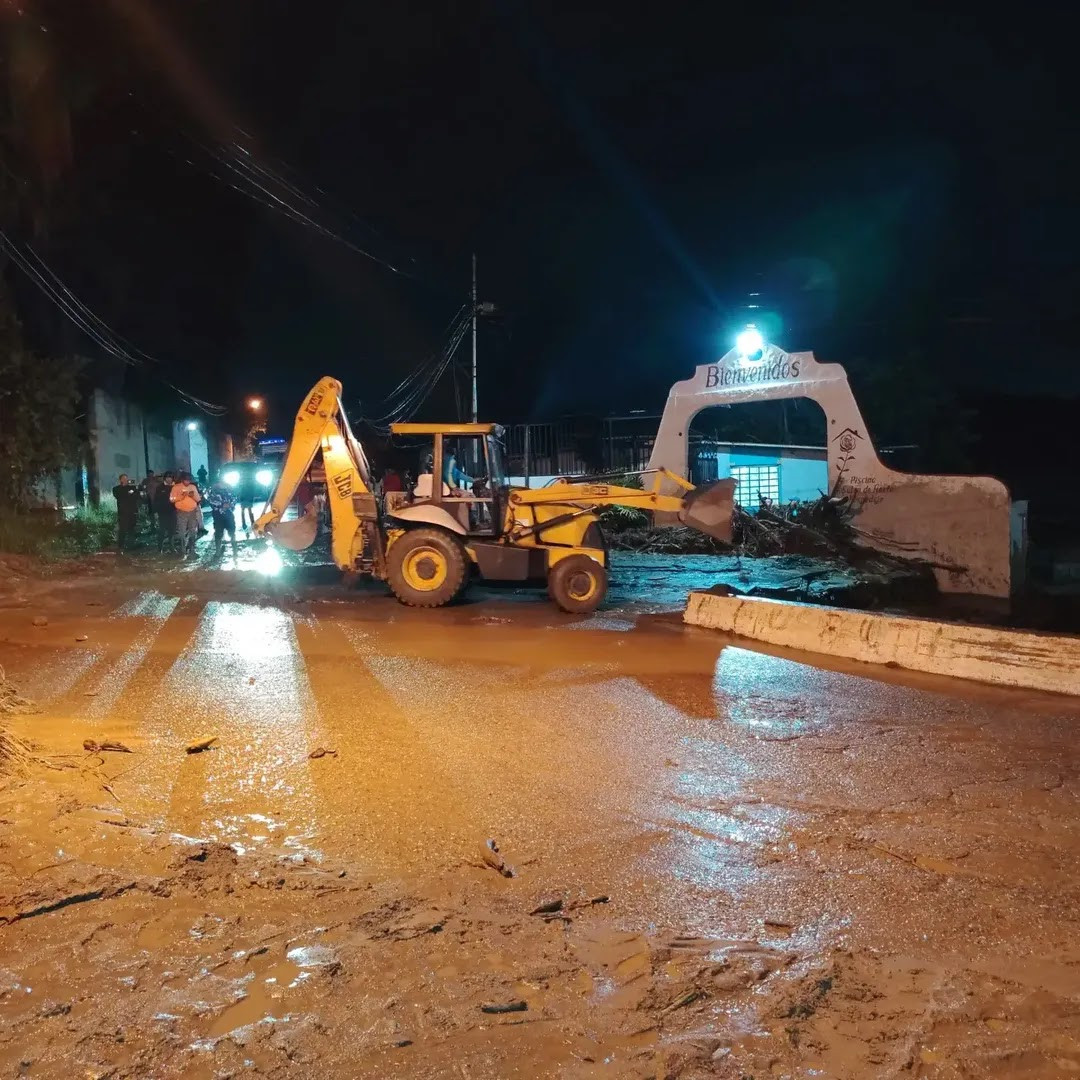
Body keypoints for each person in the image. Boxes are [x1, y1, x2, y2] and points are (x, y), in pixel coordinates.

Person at [170, 472, 202, 557]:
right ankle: (182, 550)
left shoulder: (192, 487)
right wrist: (181, 496)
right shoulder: (176, 487)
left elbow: (198, 499)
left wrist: (193, 496)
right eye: (186, 480)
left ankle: (192, 550)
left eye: (189, 480)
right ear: (182, 480)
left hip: (192, 512)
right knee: (182, 531)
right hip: (181, 512)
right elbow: (172, 499)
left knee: (193, 531)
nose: (187, 482)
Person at [207, 479, 238, 555]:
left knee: (232, 532)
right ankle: (218, 551)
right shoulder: (212, 491)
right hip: (218, 515)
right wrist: (222, 505)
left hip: (229, 514)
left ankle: (235, 549)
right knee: (218, 533)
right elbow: (210, 501)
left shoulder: (229, 490)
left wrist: (230, 505)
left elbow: (235, 498)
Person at [112, 474, 141, 552]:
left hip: (132, 512)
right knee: (123, 530)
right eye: (123, 479)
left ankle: (131, 545)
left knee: (131, 529)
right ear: (120, 480)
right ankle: (121, 546)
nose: (125, 480)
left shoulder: (132, 487)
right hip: (123, 513)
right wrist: (129, 493)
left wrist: (133, 491)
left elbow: (137, 496)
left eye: (126, 479)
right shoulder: (116, 489)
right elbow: (119, 496)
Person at [154, 472, 177, 552]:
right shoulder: (160, 487)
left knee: (172, 530)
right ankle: (160, 547)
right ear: (165, 478)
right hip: (163, 512)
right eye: (167, 477)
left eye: (170, 477)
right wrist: (156, 511)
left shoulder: (176, 487)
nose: (169, 479)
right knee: (162, 530)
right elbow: (156, 500)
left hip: (173, 511)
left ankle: (172, 546)